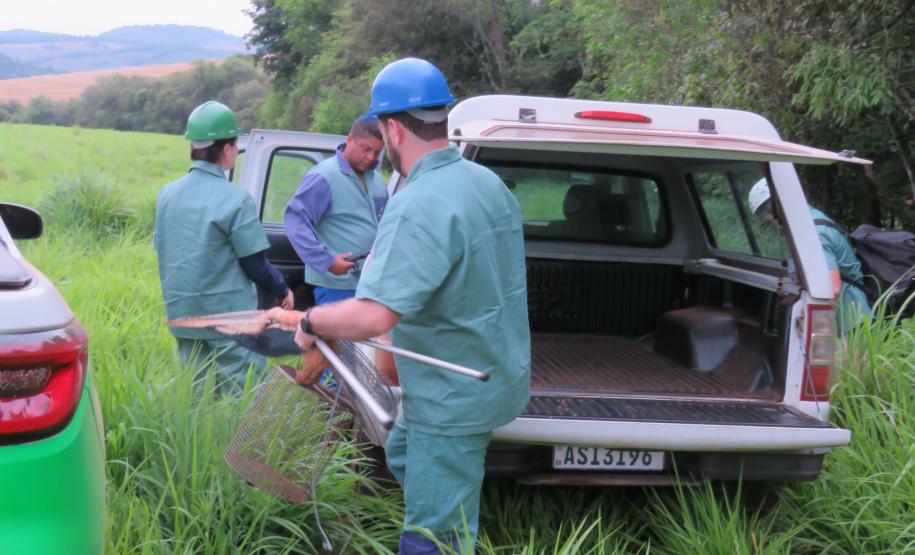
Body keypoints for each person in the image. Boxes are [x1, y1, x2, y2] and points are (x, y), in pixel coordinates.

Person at [270, 58, 531, 553]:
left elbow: (372, 316)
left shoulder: (418, 200)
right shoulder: (486, 183)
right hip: (493, 372)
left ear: (391, 128)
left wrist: (310, 320)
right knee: (406, 451)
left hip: (452, 394)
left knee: (436, 535)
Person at [155, 100, 293, 394]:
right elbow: (255, 263)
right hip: (228, 316)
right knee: (240, 393)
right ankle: (236, 441)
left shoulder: (167, 195)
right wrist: (282, 289)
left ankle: (197, 440)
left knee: (195, 393)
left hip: (181, 311)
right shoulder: (235, 198)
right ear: (228, 149)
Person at [284, 115, 387, 306]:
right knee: (340, 337)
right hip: (336, 288)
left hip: (371, 285)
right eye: (366, 149)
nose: (371, 157)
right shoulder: (324, 176)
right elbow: (295, 220)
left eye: (377, 152)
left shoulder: (378, 179)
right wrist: (327, 260)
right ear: (350, 139)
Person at [748, 178, 871, 332]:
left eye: (771, 218)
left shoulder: (815, 233)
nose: (774, 224)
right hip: (847, 315)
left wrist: (807, 313)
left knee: (853, 357)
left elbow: (833, 288)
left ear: (778, 206)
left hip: (852, 319)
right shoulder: (810, 218)